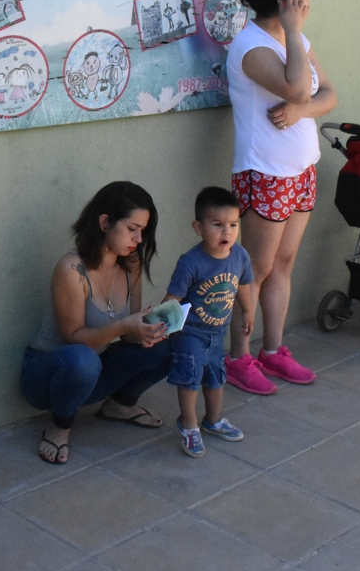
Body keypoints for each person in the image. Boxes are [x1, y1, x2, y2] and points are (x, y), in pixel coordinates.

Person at [223, 0, 338, 395]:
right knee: (255, 268)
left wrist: (301, 112)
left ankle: (273, 350)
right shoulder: (251, 47)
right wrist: (292, 31)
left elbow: (327, 95)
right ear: (286, 0)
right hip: (266, 172)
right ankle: (239, 357)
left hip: (301, 170)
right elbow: (299, 87)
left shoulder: (298, 40)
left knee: (283, 264)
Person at [20, 181, 171, 464]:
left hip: (94, 370)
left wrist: (147, 330)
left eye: (142, 230)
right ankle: (60, 426)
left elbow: (128, 337)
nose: (139, 239)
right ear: (104, 223)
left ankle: (119, 405)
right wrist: (125, 326)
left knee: (170, 346)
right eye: (132, 228)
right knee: (83, 359)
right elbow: (73, 337)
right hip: (48, 375)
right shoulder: (72, 269)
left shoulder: (131, 263)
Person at [162, 187, 253, 458]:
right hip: (189, 333)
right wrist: (160, 323)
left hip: (217, 333)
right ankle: (188, 424)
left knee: (216, 377)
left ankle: (213, 420)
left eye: (233, 224)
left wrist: (248, 311)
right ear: (198, 228)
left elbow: (243, 284)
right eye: (217, 225)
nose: (227, 232)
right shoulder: (191, 262)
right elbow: (173, 297)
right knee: (190, 379)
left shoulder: (239, 255)